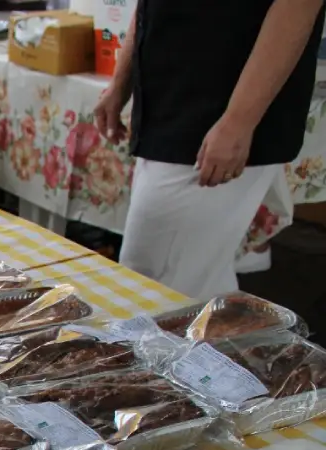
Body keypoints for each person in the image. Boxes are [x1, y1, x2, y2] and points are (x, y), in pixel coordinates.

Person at [94, 0, 326, 298]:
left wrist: (237, 122)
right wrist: (121, 81)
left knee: (155, 287)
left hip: (218, 109)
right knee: (186, 280)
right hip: (169, 103)